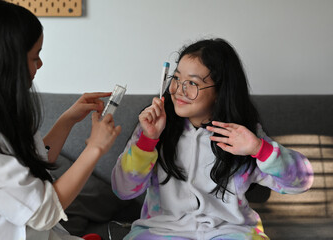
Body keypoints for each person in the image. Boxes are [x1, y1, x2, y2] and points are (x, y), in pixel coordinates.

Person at [111, 38, 314, 240]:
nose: (178, 90)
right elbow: (123, 190)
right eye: (176, 78)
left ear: (220, 91)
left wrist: (259, 149)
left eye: (192, 83)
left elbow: (301, 182)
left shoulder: (243, 135)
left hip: (232, 232)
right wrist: (148, 140)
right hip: (162, 231)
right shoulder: (153, 127)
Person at [0, 1, 121, 239]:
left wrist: (66, 120)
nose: (40, 64)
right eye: (35, 57)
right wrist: (94, 149)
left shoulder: (1, 110)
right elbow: (44, 212)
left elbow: (37, 164)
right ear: (6, 63)